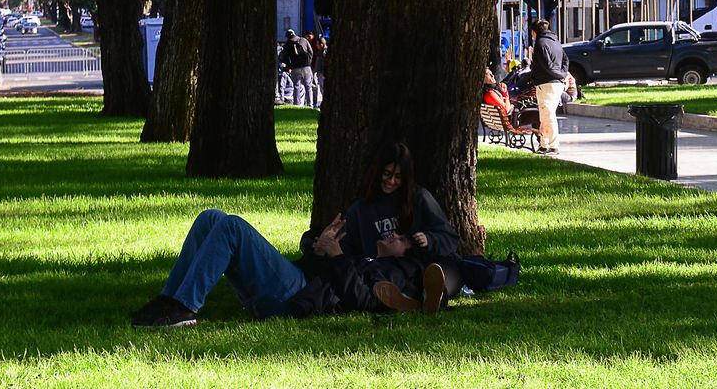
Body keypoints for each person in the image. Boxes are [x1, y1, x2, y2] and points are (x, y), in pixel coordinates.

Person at [129, 142, 462, 327]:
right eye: (385, 174)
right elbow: (340, 259)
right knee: (209, 218)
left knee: (232, 226)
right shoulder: (364, 215)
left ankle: (185, 308)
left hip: (298, 295)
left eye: (401, 238)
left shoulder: (396, 268)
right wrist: (320, 246)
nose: (393, 235)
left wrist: (337, 256)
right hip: (300, 277)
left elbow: (359, 299)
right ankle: (170, 300)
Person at [527, 19, 569, 154]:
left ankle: (552, 145)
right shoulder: (555, 42)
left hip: (546, 83)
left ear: (534, 32)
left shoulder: (540, 43)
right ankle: (544, 144)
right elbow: (565, 60)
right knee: (546, 115)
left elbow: (547, 65)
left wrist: (558, 75)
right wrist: (562, 73)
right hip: (555, 83)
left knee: (548, 115)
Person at [280, 29, 317, 108]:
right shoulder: (303, 40)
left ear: (287, 36)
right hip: (306, 67)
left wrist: (289, 66)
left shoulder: (287, 45)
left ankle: (297, 105)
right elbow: (311, 52)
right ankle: (310, 105)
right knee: (308, 86)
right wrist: (308, 62)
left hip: (295, 68)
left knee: (296, 86)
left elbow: (284, 58)